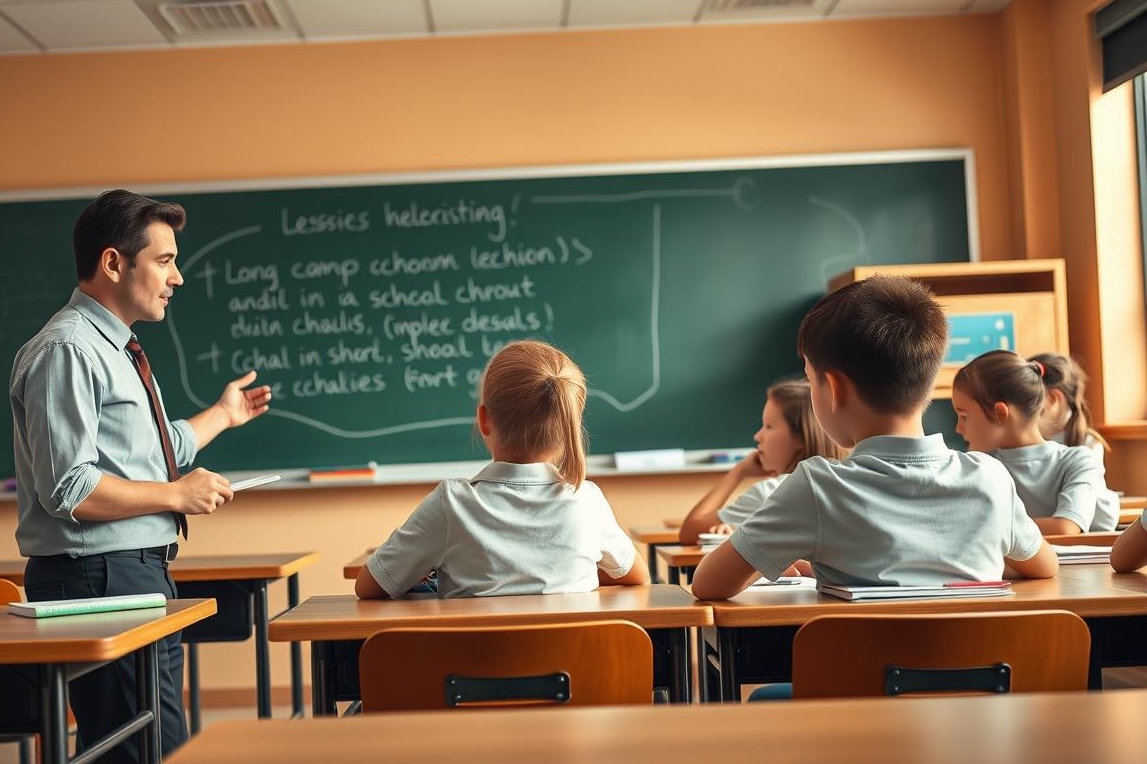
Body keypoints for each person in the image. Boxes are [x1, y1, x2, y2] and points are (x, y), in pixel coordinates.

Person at [11, 189, 272, 761]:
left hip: (131, 574)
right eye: (165, 259)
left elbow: (151, 451)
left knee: (155, 746)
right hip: (99, 579)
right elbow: (68, 486)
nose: (177, 277)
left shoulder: (119, 349)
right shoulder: (70, 350)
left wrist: (223, 416)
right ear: (113, 263)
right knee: (143, 752)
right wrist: (176, 493)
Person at [690, 275, 1055, 602]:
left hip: (859, 679)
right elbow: (1044, 566)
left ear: (832, 389)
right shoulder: (989, 478)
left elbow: (707, 584)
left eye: (810, 377)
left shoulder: (819, 487)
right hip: (983, 675)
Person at [356, 340, 646, 599]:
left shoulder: (451, 504)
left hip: (472, 661)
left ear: (484, 419)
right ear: (568, 423)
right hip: (575, 662)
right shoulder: (587, 501)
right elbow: (637, 575)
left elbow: (368, 587)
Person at [952, 350, 1115, 534]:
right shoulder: (978, 465)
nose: (958, 428)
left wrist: (988, 529)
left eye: (964, 416)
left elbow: (1065, 528)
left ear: (1000, 413)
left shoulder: (1078, 460)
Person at [678, 378, 839, 543]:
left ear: (800, 438)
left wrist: (738, 473)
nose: (757, 436)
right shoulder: (840, 483)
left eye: (769, 426)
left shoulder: (770, 492)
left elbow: (689, 532)